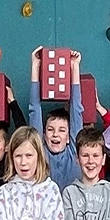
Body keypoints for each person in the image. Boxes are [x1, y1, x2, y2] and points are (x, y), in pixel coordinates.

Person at [28, 47, 85, 191]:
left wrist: (74, 67)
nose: (55, 134)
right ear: (44, 134)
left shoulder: (73, 151)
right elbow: (34, 109)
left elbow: (76, 110)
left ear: (68, 137)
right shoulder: (40, 151)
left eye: (61, 130)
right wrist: (36, 66)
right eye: (51, 129)